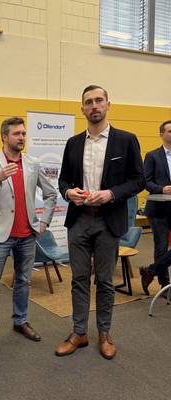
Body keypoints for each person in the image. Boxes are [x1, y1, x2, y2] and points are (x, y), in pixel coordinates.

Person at [56, 85, 145, 360]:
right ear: (82, 108)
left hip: (108, 221)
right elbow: (63, 180)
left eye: (98, 100)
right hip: (79, 220)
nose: (94, 106)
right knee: (79, 279)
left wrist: (111, 193)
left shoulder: (126, 140)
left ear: (108, 104)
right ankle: (79, 332)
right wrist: (68, 193)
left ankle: (104, 333)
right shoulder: (73, 143)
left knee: (105, 281)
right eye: (88, 102)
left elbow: (138, 180)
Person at [0, 117, 57, 352]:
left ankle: (20, 321)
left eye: (23, 133)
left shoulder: (33, 163)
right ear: (4, 136)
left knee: (23, 281)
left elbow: (51, 194)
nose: (22, 137)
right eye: (17, 134)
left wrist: (44, 222)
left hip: (27, 234)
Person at [140, 120, 171, 294]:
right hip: (158, 209)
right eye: (170, 131)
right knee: (161, 246)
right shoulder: (152, 156)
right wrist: (162, 189)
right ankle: (164, 287)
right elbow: (146, 182)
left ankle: (151, 270)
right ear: (161, 134)